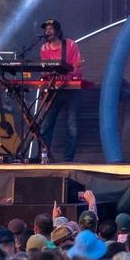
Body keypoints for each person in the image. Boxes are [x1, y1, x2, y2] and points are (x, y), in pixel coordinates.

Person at [37, 18, 83, 161]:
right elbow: (44, 70)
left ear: (58, 31)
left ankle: (68, 160)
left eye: (50, 29)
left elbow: (77, 67)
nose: (47, 31)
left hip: (70, 90)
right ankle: (43, 158)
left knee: (72, 126)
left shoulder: (70, 45)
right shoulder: (44, 48)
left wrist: (66, 76)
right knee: (46, 125)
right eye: (46, 29)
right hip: (53, 90)